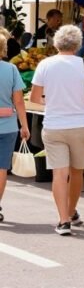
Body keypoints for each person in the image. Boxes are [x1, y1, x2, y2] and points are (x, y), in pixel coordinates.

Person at [29, 26, 84, 236]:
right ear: (78, 45)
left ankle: (63, 221)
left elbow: (34, 98)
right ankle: (71, 212)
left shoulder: (45, 65)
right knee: (77, 172)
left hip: (53, 125)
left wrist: (51, 103)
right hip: (80, 125)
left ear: (55, 43)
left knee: (59, 174)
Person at [0, 30, 29, 223]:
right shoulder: (11, 70)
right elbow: (19, 102)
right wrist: (24, 126)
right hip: (8, 126)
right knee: (1, 168)